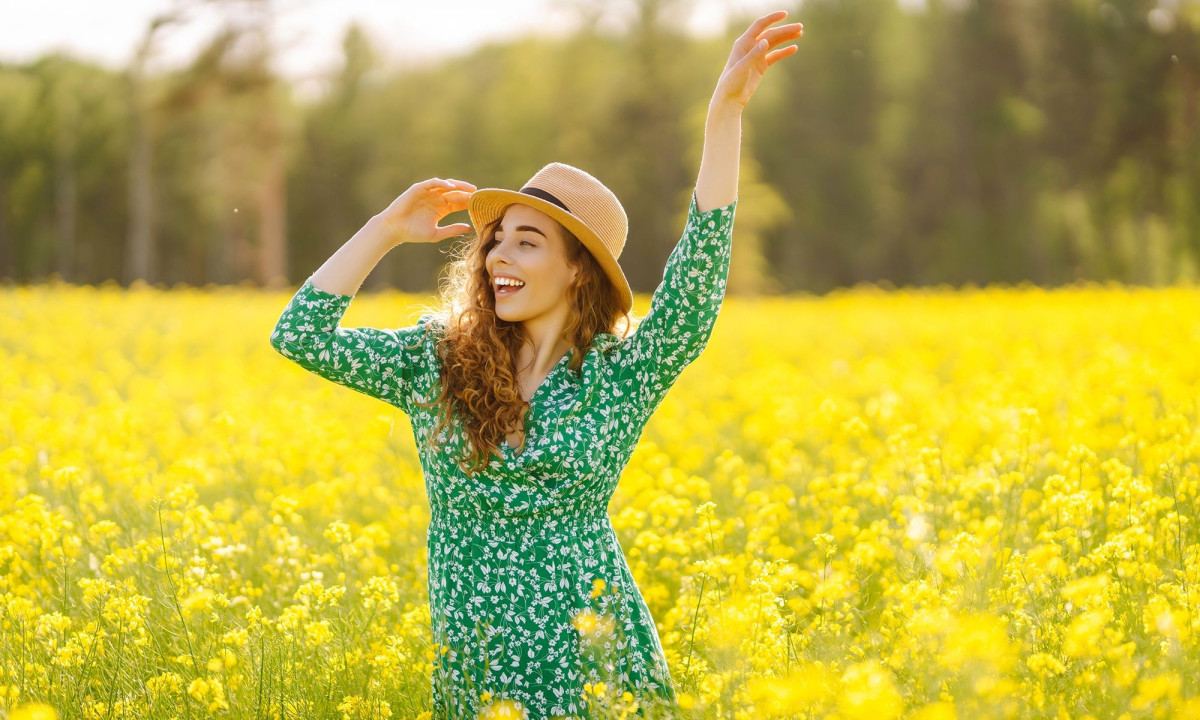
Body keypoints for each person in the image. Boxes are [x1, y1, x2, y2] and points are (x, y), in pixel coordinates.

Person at [269, 11, 802, 719]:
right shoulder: (436, 360)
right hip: (479, 671)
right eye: (496, 240)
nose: (498, 256)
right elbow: (299, 335)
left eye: (527, 242)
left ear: (578, 269)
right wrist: (385, 230)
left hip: (600, 664)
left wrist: (723, 115)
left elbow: (697, 277)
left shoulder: (621, 373)